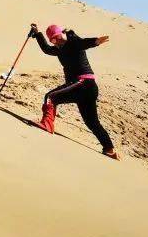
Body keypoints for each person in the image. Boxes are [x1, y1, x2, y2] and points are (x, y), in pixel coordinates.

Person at [29, 23, 119, 160]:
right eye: (53, 40)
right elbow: (47, 49)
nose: (57, 41)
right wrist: (37, 34)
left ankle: (47, 124)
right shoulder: (59, 49)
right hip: (87, 88)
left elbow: (83, 43)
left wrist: (95, 41)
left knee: (51, 97)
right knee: (92, 122)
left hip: (83, 83)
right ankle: (109, 149)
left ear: (62, 33)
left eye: (58, 37)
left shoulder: (72, 41)